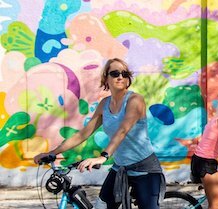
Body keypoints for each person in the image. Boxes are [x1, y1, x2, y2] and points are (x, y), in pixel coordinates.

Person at [34, 58, 165, 209]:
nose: (120, 77)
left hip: (145, 169)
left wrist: (103, 157)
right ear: (106, 78)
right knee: (102, 205)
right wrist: (52, 153)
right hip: (121, 167)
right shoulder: (105, 104)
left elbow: (123, 130)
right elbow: (82, 134)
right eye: (115, 73)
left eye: (124, 73)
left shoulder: (135, 100)